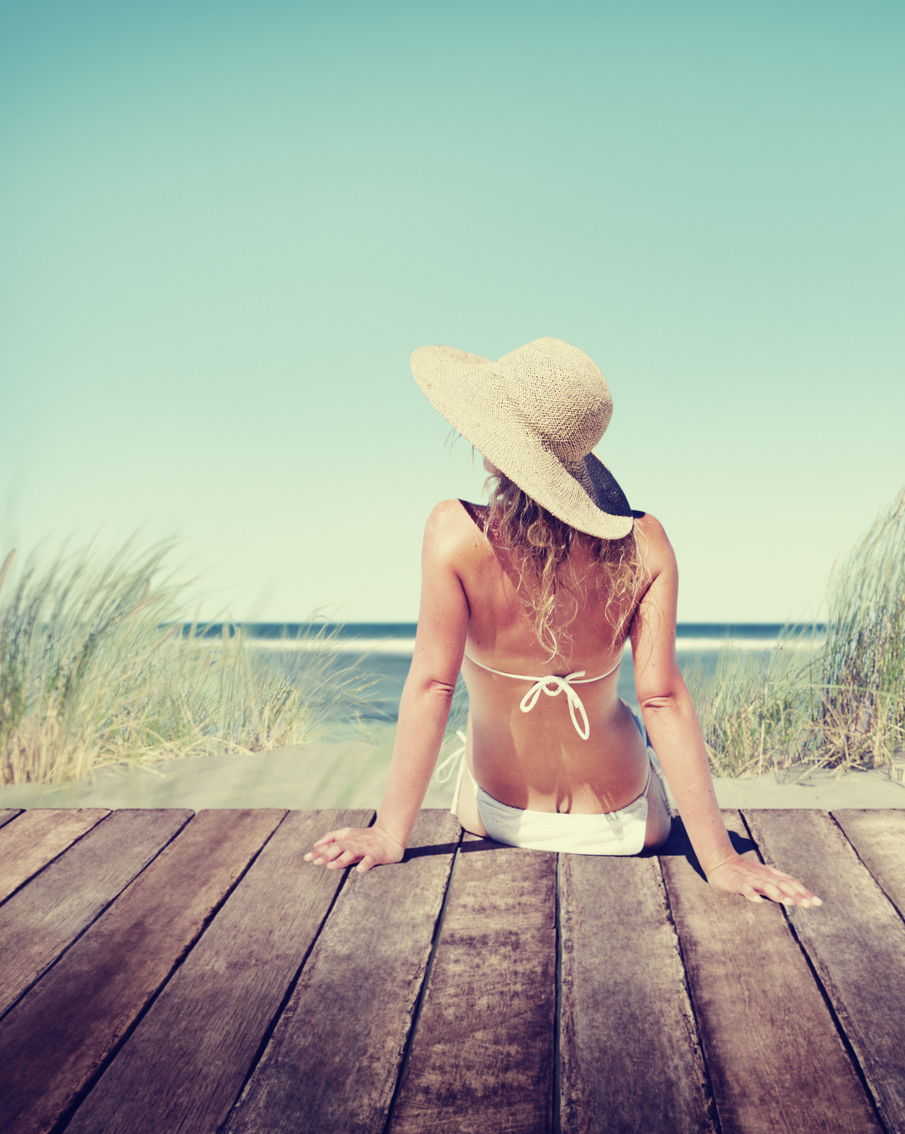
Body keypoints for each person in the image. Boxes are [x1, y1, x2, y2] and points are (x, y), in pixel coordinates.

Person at [304, 337, 820, 907]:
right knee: (631, 727)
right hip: (624, 825)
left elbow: (433, 685)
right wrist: (720, 860)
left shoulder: (453, 533)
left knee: (471, 741)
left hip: (497, 814)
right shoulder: (644, 544)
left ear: (505, 446)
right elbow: (662, 700)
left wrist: (388, 834)